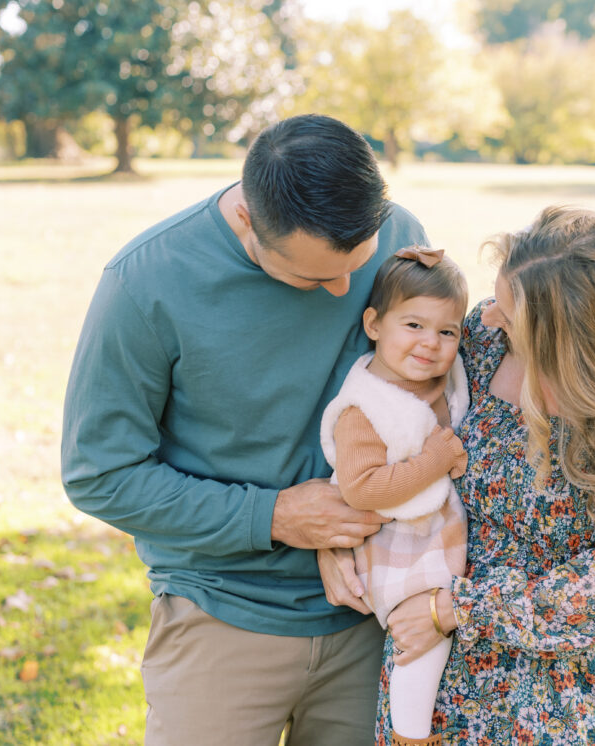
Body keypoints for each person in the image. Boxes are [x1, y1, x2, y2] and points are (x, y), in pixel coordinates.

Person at [60, 114, 432, 746]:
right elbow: (101, 475)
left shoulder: (399, 239)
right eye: (316, 278)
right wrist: (274, 516)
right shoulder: (145, 282)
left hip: (375, 610)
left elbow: (422, 400)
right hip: (220, 610)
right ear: (245, 222)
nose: (344, 290)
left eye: (357, 266)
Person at [325, 205, 595, 744]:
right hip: (427, 667)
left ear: (566, 336)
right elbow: (379, 422)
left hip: (549, 686)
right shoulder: (478, 339)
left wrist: (457, 607)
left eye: (508, 312)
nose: (489, 316)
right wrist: (336, 537)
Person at [318, 247, 470, 746]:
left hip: (432, 533)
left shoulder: (430, 382)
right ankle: (411, 734)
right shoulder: (364, 408)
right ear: (374, 324)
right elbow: (362, 490)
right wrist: (436, 459)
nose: (431, 343)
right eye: (414, 326)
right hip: (395, 545)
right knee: (421, 641)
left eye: (447, 332)